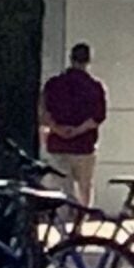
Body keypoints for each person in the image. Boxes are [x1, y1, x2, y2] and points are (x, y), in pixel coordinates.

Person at [38, 42, 108, 205]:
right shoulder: (95, 87)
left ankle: (64, 225)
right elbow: (97, 117)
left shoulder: (53, 84)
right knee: (85, 187)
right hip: (84, 146)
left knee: (62, 189)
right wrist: (77, 131)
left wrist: (58, 129)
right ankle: (79, 222)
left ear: (70, 58)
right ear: (88, 61)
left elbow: (43, 112)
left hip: (57, 144)